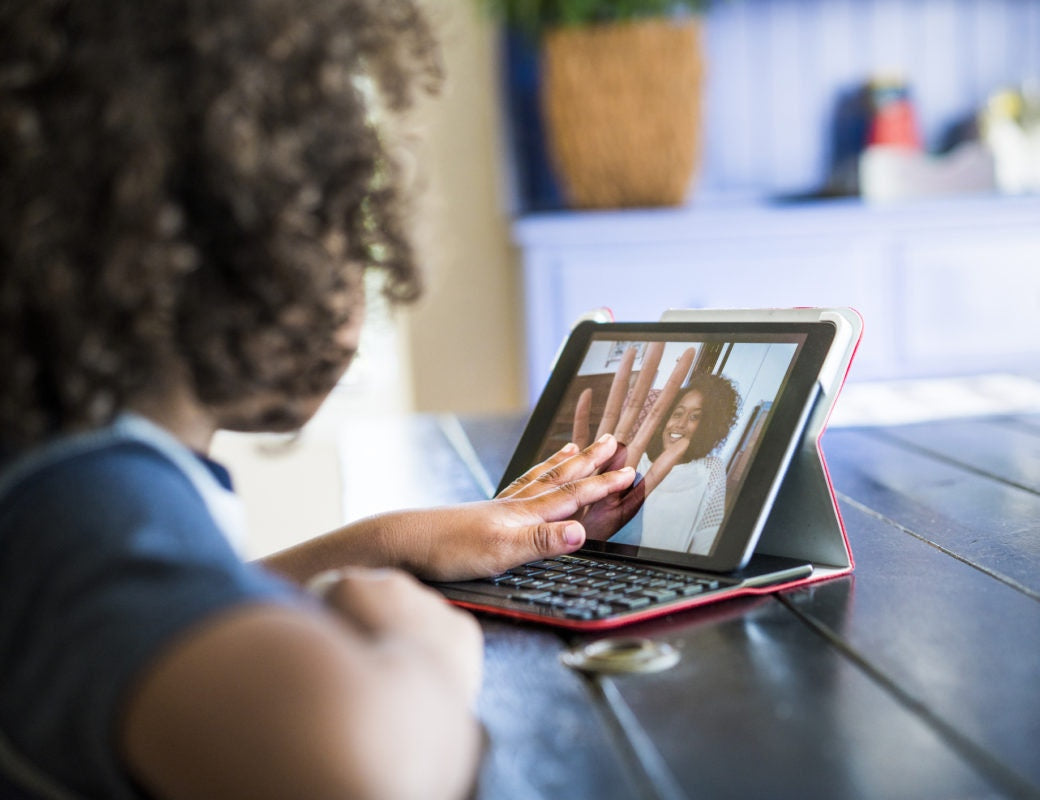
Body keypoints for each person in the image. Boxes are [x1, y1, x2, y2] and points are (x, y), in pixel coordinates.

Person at [0, 1, 636, 798]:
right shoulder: (87, 512)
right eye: (341, 216)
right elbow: (366, 768)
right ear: (249, 237)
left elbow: (166, 606)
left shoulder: (52, 465)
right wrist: (422, 656)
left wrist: (388, 542)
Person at [608, 372, 741, 554]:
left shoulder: (709, 469)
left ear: (707, 427)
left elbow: (706, 540)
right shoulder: (637, 460)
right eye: (677, 413)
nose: (680, 423)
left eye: (694, 417)